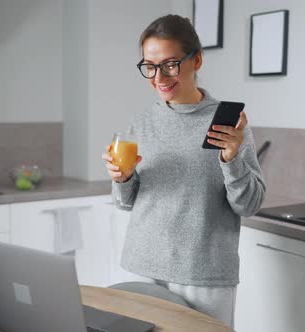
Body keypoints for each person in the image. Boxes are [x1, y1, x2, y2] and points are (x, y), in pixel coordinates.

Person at [101, 14, 266, 328]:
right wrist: (122, 179)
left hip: (203, 276)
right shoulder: (142, 122)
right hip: (142, 267)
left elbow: (249, 205)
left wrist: (232, 161)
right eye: (149, 66)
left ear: (197, 60)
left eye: (170, 64)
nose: (159, 76)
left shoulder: (226, 124)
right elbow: (126, 201)